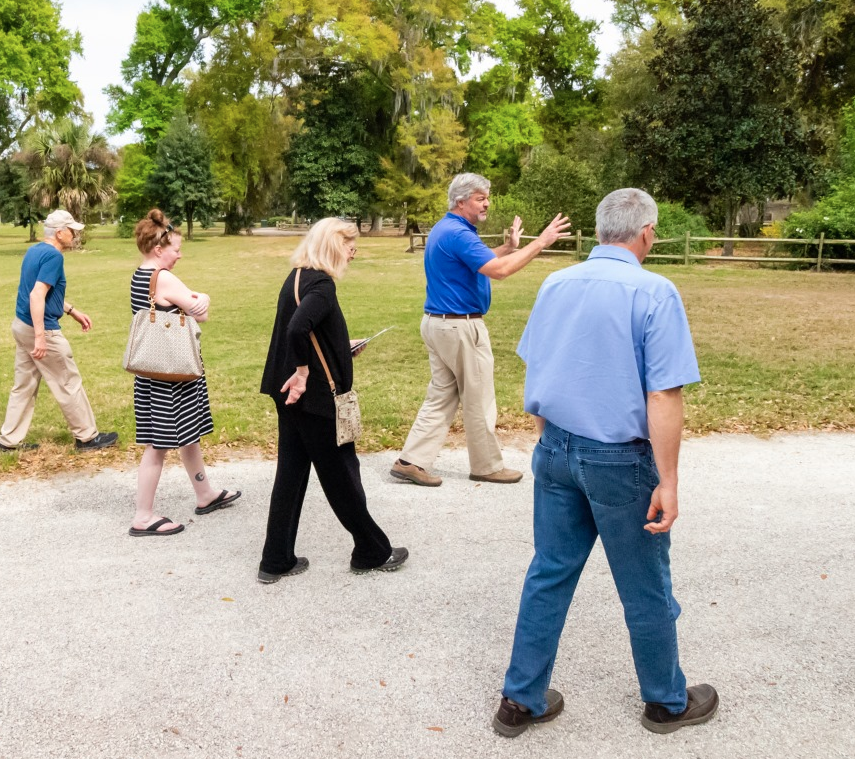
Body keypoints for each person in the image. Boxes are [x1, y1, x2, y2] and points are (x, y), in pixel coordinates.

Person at [492, 189, 717, 738]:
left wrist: (546, 435)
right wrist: (668, 480)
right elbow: (663, 396)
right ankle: (665, 701)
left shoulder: (556, 282)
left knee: (549, 573)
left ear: (598, 232)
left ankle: (520, 700)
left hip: (558, 448)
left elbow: (536, 363)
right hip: (619, 458)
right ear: (646, 232)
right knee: (644, 584)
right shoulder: (655, 292)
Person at [390, 173, 571, 487]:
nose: (487, 203)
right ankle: (486, 466)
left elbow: (483, 260)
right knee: (479, 398)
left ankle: (410, 461)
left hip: (438, 323)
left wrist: (508, 246)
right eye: (480, 198)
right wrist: (541, 243)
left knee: (442, 396)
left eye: (487, 197)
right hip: (461, 327)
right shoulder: (459, 234)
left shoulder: (447, 229)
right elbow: (498, 271)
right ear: (461, 201)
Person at [258, 218, 408, 583]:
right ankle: (372, 550)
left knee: (291, 475)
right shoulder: (322, 284)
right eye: (347, 243)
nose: (353, 250)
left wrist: (341, 346)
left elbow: (307, 331)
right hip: (313, 398)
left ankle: (276, 558)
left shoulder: (296, 277)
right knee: (341, 472)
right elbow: (297, 328)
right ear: (329, 245)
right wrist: (304, 371)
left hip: (286, 394)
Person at [127, 210, 241, 537]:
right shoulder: (163, 277)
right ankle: (143, 516)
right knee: (158, 445)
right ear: (158, 248)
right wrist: (203, 295)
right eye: (176, 248)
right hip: (172, 373)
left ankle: (205, 494)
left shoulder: (140, 274)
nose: (179, 254)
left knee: (187, 435)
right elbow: (199, 312)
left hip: (154, 371)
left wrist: (195, 298)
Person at [0, 209, 118, 453]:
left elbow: (43, 293)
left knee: (24, 385)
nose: (74, 235)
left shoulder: (34, 251)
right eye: (71, 230)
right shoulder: (54, 257)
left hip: (21, 326)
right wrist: (41, 336)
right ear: (59, 232)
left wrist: (72, 311)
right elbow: (37, 295)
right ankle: (87, 437)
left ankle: (7, 443)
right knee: (67, 381)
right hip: (40, 330)